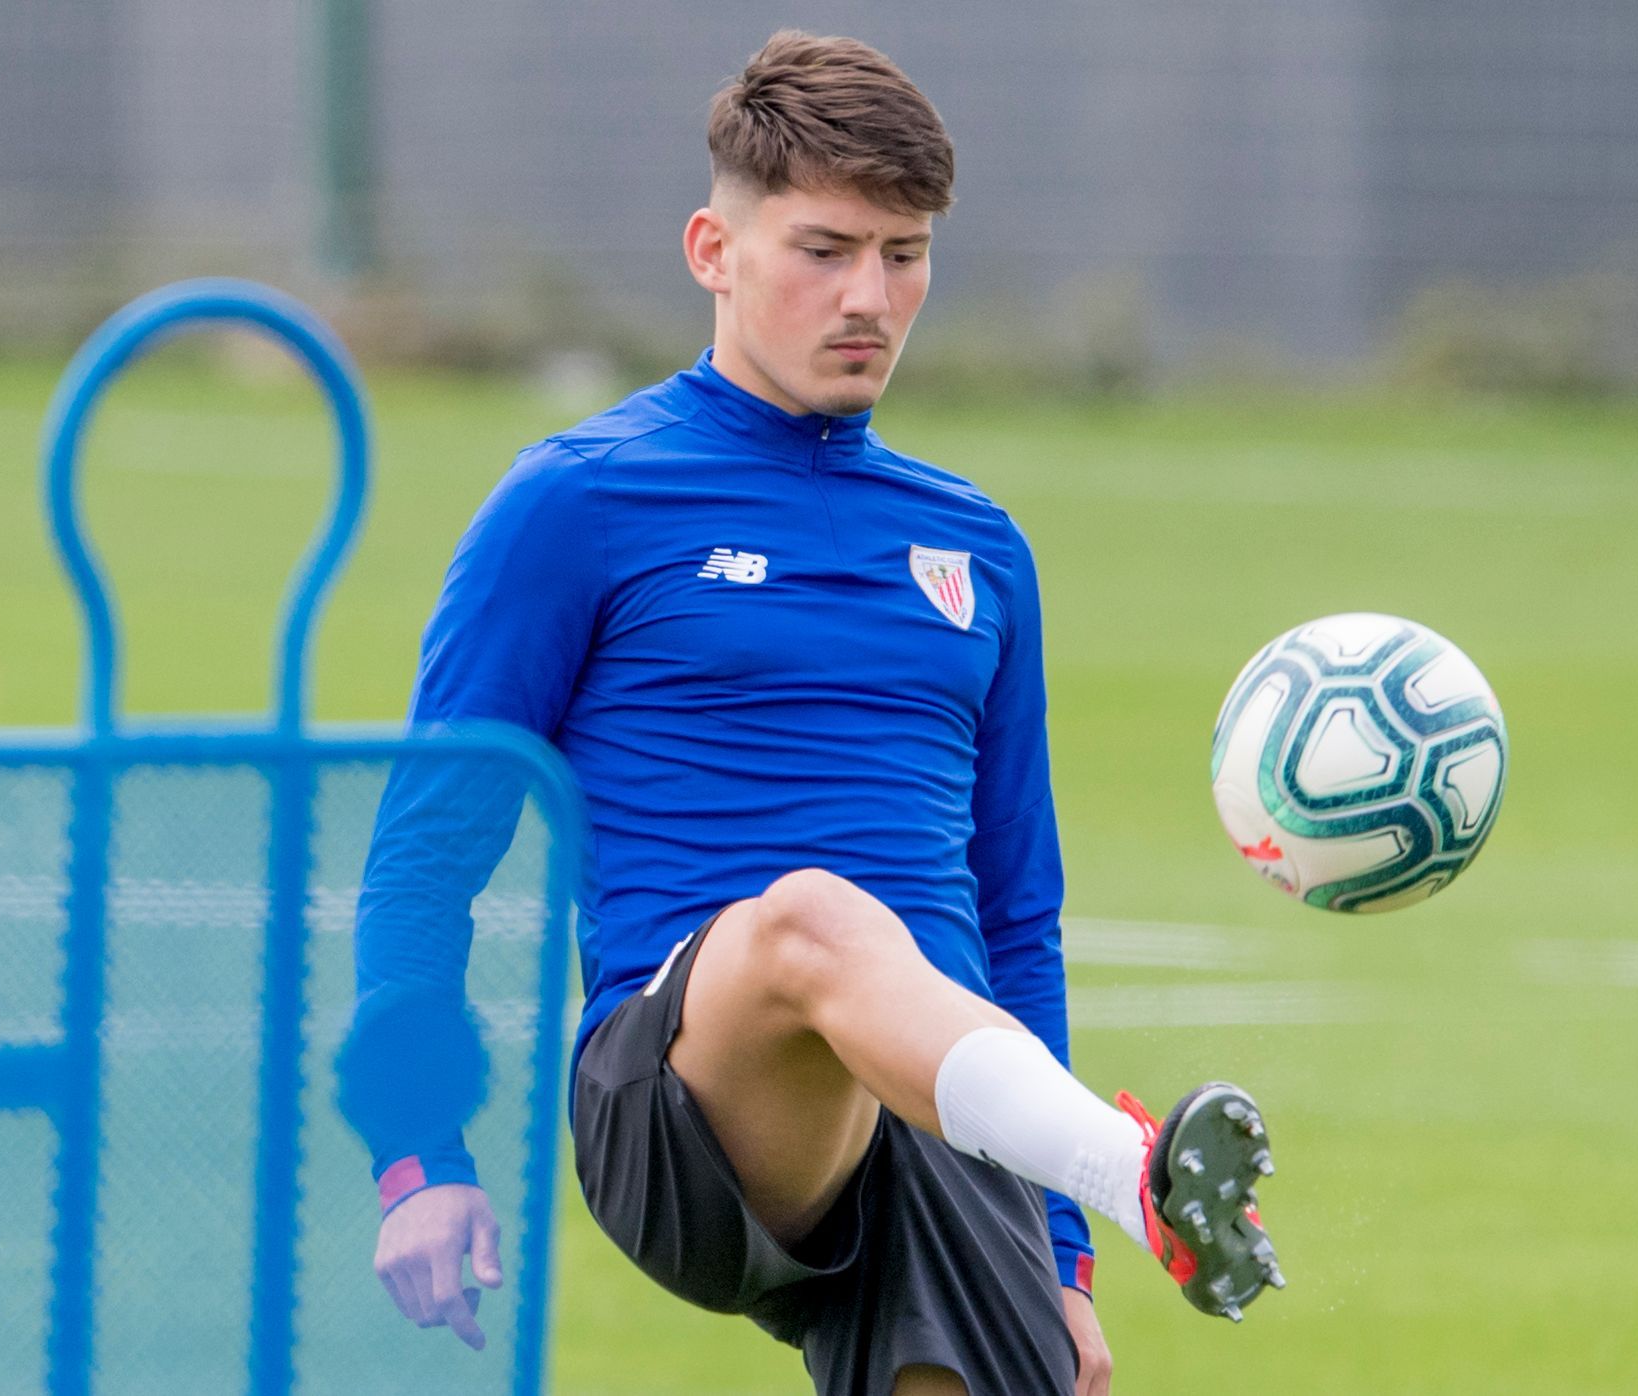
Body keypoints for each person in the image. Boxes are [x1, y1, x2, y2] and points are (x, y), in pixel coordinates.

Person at [341, 30, 1283, 1395]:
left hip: (935, 1119)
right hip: (682, 1102)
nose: (871, 298)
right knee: (815, 917)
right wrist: (418, 1158)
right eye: (824, 250)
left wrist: (1057, 1265)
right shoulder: (579, 501)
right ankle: (1139, 1177)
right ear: (712, 252)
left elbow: (1015, 915)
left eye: (904, 257)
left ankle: (1093, 1192)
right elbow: (426, 855)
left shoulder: (979, 547)